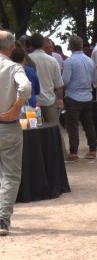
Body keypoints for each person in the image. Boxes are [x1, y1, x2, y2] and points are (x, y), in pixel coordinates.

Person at [0, 30, 32, 236]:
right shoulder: (13, 67)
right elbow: (26, 87)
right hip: (7, 126)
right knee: (10, 176)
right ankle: (2, 220)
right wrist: (15, 109)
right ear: (11, 48)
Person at [62, 35, 97, 162]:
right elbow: (95, 80)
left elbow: (65, 81)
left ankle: (73, 152)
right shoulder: (90, 61)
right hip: (88, 96)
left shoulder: (69, 62)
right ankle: (92, 149)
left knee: (72, 126)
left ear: (70, 47)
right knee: (89, 124)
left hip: (73, 97)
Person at [28, 33, 64, 126]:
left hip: (32, 102)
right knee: (53, 130)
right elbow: (59, 84)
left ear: (31, 44)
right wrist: (60, 99)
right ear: (43, 44)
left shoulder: (27, 60)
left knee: (34, 130)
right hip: (49, 100)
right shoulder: (53, 60)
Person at [10, 43, 40, 108]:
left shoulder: (8, 71)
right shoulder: (31, 71)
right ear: (24, 59)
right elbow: (37, 90)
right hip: (30, 104)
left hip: (12, 105)